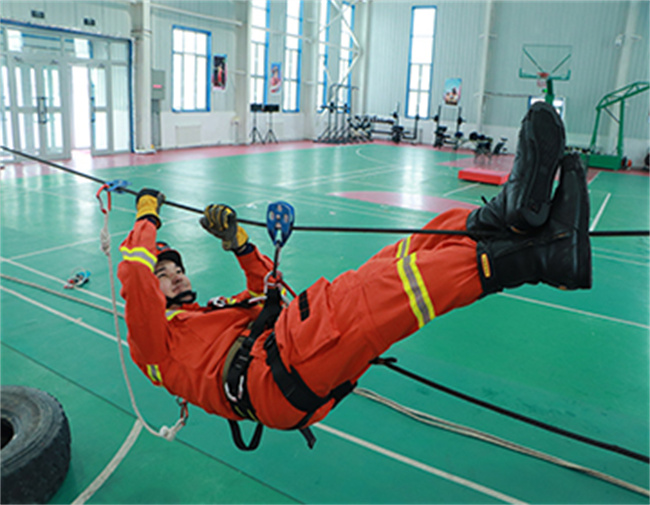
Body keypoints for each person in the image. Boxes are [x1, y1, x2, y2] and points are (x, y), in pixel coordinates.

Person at [117, 101, 591, 448]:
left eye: (176, 268)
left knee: (398, 256)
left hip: (278, 350)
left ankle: (500, 220)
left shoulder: (207, 316)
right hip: (270, 376)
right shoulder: (152, 346)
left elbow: (266, 294)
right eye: (165, 273)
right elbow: (135, 277)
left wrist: (240, 244)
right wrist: (147, 216)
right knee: (373, 294)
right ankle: (536, 259)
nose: (176, 276)